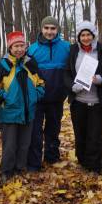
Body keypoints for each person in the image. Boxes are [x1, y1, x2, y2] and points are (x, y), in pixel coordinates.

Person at [0, 31, 45, 184]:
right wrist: (6, 98)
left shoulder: (30, 63)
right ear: (10, 47)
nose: (19, 49)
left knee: (24, 143)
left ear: (26, 46)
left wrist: (36, 95)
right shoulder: (2, 65)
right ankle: (7, 172)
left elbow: (41, 82)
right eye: (16, 46)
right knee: (10, 145)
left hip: (29, 111)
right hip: (10, 112)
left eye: (22, 45)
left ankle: (20, 168)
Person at [63, 21, 102, 173]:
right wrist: (72, 86)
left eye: (88, 35)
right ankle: (82, 161)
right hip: (78, 101)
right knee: (80, 133)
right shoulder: (72, 50)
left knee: (95, 134)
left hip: (96, 101)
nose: (85, 38)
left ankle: (94, 164)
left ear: (93, 35)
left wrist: (100, 79)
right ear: (79, 37)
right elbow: (66, 72)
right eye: (82, 35)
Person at [27, 16, 70, 171]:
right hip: (37, 98)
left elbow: (73, 69)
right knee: (35, 131)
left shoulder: (67, 47)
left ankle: (52, 157)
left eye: (53, 28)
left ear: (57, 29)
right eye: (46, 28)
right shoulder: (32, 49)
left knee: (53, 130)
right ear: (41, 29)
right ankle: (34, 162)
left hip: (57, 98)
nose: (49, 31)